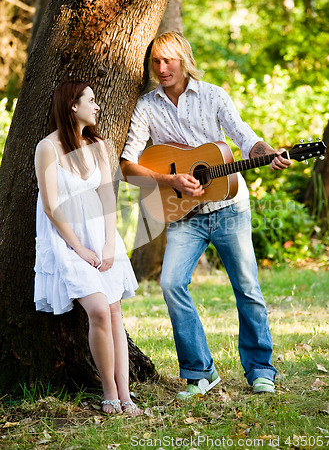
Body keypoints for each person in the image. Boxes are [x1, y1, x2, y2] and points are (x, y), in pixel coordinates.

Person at [120, 31, 291, 399]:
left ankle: (261, 370)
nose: (162, 68)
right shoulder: (147, 106)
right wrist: (170, 178)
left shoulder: (213, 95)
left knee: (247, 288)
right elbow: (127, 165)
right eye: (156, 62)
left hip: (229, 207)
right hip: (185, 213)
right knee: (170, 284)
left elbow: (243, 136)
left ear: (184, 59)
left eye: (169, 60)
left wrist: (268, 151)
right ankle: (200, 372)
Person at [34, 80, 142, 415]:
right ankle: (109, 391)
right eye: (91, 100)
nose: (97, 106)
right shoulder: (47, 148)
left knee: (114, 312)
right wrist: (79, 248)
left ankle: (125, 395)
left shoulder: (97, 144)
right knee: (97, 310)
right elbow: (51, 206)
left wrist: (109, 244)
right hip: (68, 241)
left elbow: (107, 195)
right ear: (72, 106)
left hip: (101, 236)